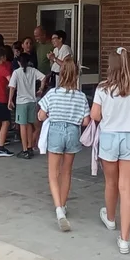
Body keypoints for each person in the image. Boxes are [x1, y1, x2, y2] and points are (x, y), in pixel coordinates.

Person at [92, 46, 130, 255]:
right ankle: (125, 239)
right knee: (126, 187)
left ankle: (110, 218)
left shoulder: (103, 88)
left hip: (109, 137)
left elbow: (95, 115)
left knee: (110, 182)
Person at [37, 58, 90, 231]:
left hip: (56, 131)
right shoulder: (81, 96)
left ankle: (58, 209)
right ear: (76, 75)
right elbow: (85, 121)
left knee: (53, 173)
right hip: (73, 132)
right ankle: (64, 204)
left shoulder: (52, 93)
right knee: (66, 172)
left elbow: (41, 115)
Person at [9, 52, 47, 159]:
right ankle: (30, 147)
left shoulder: (16, 72)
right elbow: (44, 77)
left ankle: (25, 149)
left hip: (21, 102)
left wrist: (10, 100)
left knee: (22, 126)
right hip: (32, 101)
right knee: (30, 124)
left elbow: (12, 87)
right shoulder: (33, 70)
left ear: (19, 62)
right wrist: (41, 89)